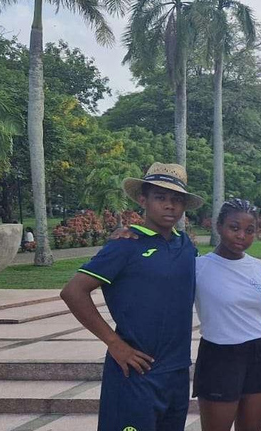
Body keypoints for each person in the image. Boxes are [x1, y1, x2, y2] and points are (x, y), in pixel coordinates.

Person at [60, 162, 203, 431]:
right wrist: (114, 343)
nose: (169, 206)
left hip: (176, 373)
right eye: (160, 198)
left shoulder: (186, 246)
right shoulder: (126, 245)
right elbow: (73, 291)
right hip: (135, 372)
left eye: (176, 199)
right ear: (143, 200)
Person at [194, 198, 261, 431]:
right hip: (219, 357)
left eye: (249, 230)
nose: (241, 236)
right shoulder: (198, 268)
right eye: (234, 228)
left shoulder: (257, 266)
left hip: (259, 354)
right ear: (219, 226)